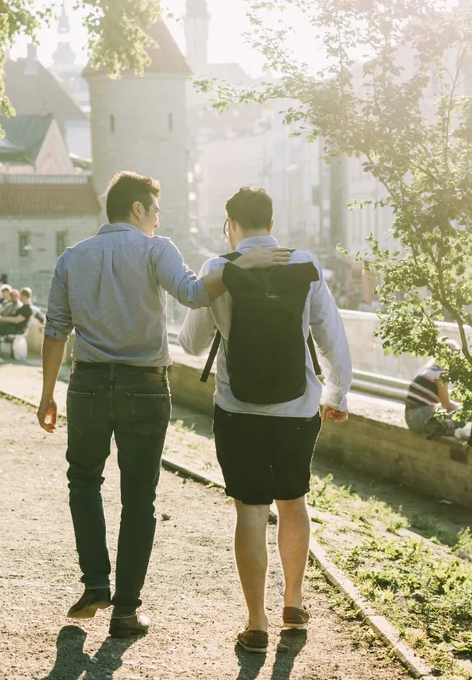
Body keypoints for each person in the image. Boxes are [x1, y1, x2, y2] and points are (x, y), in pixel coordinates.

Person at [39, 171, 289, 638]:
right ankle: (126, 612)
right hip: (144, 386)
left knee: (83, 482)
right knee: (139, 498)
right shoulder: (157, 249)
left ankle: (95, 583)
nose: (158, 219)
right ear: (137, 209)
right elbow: (196, 293)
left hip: (88, 385)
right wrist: (241, 266)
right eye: (155, 210)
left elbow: (56, 328)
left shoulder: (73, 257)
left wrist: (47, 393)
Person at [178, 186, 351, 653]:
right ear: (272, 226)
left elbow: (191, 344)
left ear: (231, 226)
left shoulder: (219, 269)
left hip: (239, 411)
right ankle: (292, 603)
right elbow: (332, 335)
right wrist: (338, 393)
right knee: (292, 500)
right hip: (297, 409)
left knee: (251, 511)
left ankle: (256, 623)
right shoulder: (305, 264)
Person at [405, 340, 466, 439]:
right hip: (421, 419)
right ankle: (444, 427)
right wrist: (459, 407)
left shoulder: (428, 370)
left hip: (410, 419)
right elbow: (446, 404)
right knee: (462, 415)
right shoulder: (441, 374)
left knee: (447, 411)